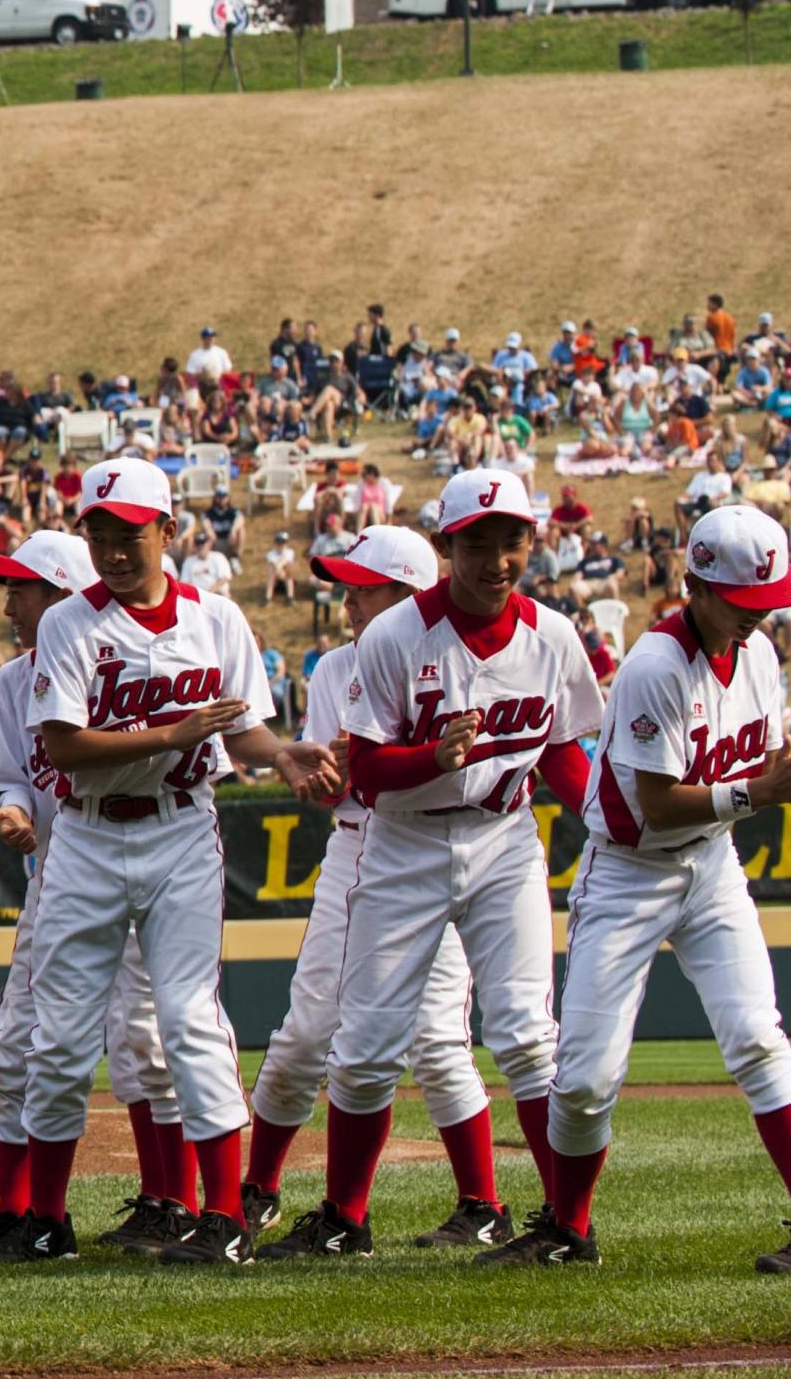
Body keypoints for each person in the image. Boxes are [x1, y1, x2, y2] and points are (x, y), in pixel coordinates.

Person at [0, 458, 325, 1266]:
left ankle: (226, 1217)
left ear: (168, 531)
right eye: (98, 533)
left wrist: (282, 757)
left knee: (189, 1022)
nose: (113, 548)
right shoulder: (68, 625)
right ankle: (48, 1219)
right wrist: (173, 733)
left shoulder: (217, 618)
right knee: (59, 1036)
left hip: (180, 827)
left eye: (129, 533)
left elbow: (243, 730)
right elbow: (64, 746)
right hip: (88, 836)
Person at [314, 470, 602, 1266]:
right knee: (367, 1045)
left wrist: (608, 821)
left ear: (531, 543)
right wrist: (429, 758)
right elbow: (367, 775)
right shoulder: (394, 636)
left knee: (526, 1036)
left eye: (510, 541)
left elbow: (564, 751)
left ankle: (567, 1225)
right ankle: (345, 1214)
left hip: (505, 838)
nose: (496, 559)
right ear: (447, 547)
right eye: (477, 542)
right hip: (404, 844)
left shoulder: (553, 635)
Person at [245, 524, 507, 1257]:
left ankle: (482, 1205)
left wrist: (370, 768)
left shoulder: (456, 661)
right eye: (349, 587)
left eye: (367, 588)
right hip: (357, 849)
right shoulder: (334, 667)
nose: (350, 601)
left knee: (437, 1041)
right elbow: (335, 787)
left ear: (410, 593)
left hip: (433, 849)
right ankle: (258, 1190)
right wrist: (323, 778)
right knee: (303, 1035)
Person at [546, 504, 791, 1270]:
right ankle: (567, 1227)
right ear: (695, 586)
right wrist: (759, 793)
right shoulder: (656, 665)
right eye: (741, 604)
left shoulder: (758, 657)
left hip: (711, 864)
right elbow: (655, 805)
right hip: (629, 872)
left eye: (766, 603)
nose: (755, 618)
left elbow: (770, 755)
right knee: (585, 1078)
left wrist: (763, 783)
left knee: (758, 1038)